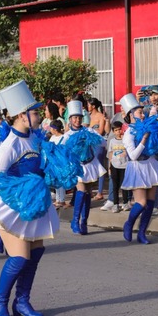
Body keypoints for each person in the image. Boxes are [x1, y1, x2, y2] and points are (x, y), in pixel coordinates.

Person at [0, 80, 76, 316]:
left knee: (35, 255)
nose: (38, 115)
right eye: (35, 112)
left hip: (36, 205)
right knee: (19, 258)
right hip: (14, 207)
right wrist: (20, 192)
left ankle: (22, 301)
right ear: (22, 116)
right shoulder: (10, 145)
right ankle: (0, 302)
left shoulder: (35, 139)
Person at [119, 93, 158, 244]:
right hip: (137, 168)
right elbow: (133, 155)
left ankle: (142, 233)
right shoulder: (129, 133)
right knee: (141, 202)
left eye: (142, 111)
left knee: (150, 202)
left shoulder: (146, 125)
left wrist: (155, 108)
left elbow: (153, 117)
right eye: (139, 111)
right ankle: (129, 223)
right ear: (131, 114)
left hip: (150, 165)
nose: (142, 113)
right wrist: (144, 140)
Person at [64, 100, 106, 235]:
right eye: (75, 117)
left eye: (79, 117)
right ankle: (75, 221)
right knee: (81, 191)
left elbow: (102, 141)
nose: (77, 120)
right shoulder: (67, 135)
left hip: (90, 163)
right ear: (70, 119)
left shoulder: (88, 130)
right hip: (77, 166)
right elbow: (62, 151)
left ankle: (84, 222)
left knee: (88, 193)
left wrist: (92, 140)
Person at [101, 120, 130, 212]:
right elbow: (110, 153)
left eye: (120, 129)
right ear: (113, 131)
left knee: (124, 185)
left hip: (124, 166)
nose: (118, 132)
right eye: (116, 130)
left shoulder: (126, 140)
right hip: (114, 165)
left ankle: (126, 203)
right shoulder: (112, 141)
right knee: (115, 185)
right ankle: (115, 204)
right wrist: (110, 166)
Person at [88, 98, 110, 201]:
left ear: (93, 106)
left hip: (98, 144)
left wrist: (90, 130)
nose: (87, 106)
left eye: (88, 104)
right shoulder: (87, 116)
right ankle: (90, 190)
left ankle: (100, 192)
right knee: (89, 166)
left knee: (100, 167)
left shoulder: (100, 116)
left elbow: (101, 131)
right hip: (89, 144)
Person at [48, 119, 68, 208]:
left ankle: (62, 200)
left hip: (61, 162)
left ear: (55, 129)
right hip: (53, 162)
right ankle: (57, 199)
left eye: (51, 128)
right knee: (56, 181)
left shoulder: (64, 138)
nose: (50, 130)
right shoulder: (52, 137)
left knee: (61, 181)